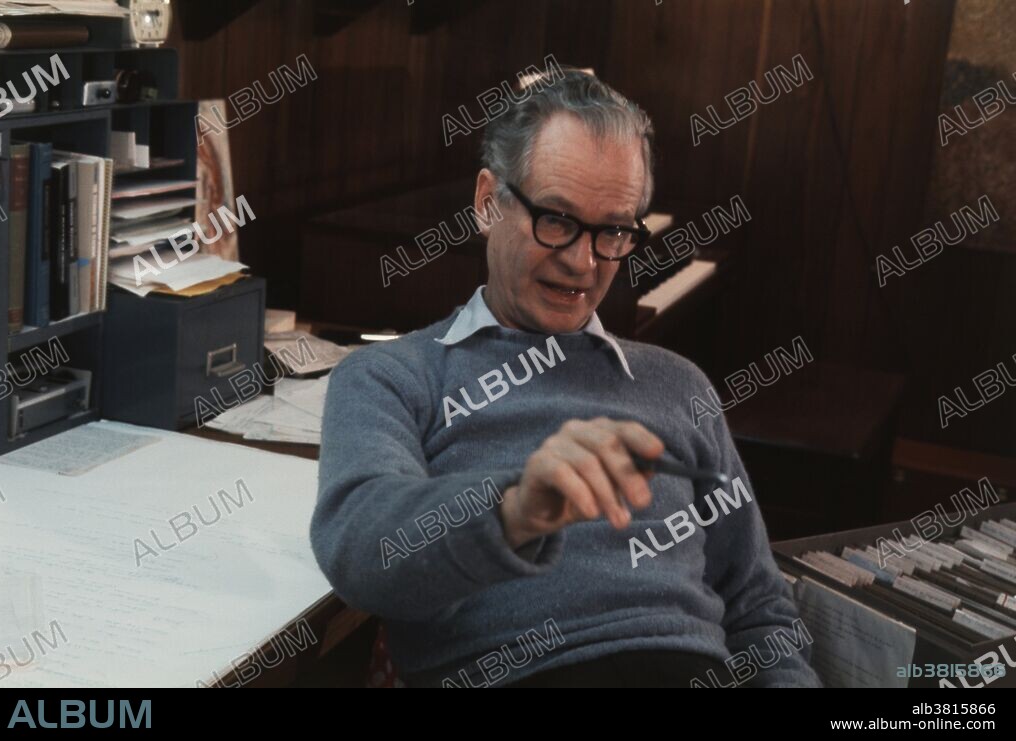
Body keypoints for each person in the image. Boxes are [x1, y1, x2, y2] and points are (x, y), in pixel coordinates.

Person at [310, 67, 821, 688]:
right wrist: (518, 508)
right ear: (486, 201)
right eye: (556, 219)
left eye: (612, 231)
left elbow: (759, 608)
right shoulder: (390, 377)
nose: (583, 263)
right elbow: (362, 549)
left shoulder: (679, 385)